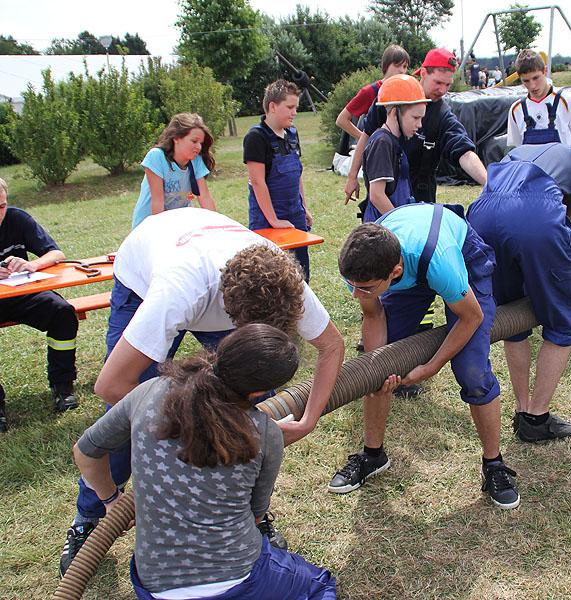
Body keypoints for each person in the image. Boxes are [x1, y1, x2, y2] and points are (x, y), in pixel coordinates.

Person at [60, 207, 345, 575]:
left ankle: (248, 515)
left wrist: (307, 420)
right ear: (233, 319)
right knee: (126, 418)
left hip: (212, 262)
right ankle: (91, 516)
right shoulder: (179, 291)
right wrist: (197, 426)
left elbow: (332, 346)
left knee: (256, 384)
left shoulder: (285, 286)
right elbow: (112, 386)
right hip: (146, 269)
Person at [73, 324, 337, 599]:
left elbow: (85, 452)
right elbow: (256, 515)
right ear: (259, 393)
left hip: (155, 585)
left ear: (221, 351)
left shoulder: (149, 391)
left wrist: (110, 499)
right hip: (239, 579)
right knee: (319, 586)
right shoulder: (265, 432)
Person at [329, 204, 520, 510]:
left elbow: (471, 317)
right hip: (409, 258)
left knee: (472, 371)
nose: (355, 294)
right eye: (352, 285)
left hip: (458, 252)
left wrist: (432, 366)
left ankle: (494, 464)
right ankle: (373, 454)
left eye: (363, 288)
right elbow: (373, 314)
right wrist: (378, 366)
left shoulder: (441, 262)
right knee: (376, 372)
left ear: (395, 272)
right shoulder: (362, 269)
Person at [467, 143, 571, 442]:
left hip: (482, 217)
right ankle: (537, 417)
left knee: (512, 318)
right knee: (563, 321)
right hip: (536, 218)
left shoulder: (520, 152)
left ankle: (521, 409)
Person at [345, 48, 487, 206]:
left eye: (448, 85)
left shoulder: (442, 115)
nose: (443, 90)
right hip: (385, 194)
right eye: (438, 82)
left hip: (421, 196)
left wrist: (488, 184)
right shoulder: (393, 95)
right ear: (423, 73)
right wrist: (352, 176)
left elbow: (464, 152)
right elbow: (366, 136)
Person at [0, 177, 78, 431]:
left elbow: (56, 253)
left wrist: (31, 265)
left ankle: (62, 385)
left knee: (63, 313)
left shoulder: (18, 218)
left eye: (1, 206)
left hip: (21, 292)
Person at [245, 79, 314, 281]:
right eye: (290, 107)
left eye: (296, 108)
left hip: (295, 213)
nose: (294, 113)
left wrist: (304, 207)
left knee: (300, 274)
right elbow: (258, 182)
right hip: (266, 217)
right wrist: (274, 220)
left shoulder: (292, 134)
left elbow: (297, 173)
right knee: (269, 275)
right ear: (272, 107)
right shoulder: (256, 137)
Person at [359, 74, 429, 223]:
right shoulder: (382, 142)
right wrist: (402, 224)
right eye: (415, 118)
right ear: (393, 113)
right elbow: (377, 195)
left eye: (421, 118)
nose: (420, 124)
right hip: (383, 230)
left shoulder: (395, 141)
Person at [131, 113, 217, 229]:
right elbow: (158, 202)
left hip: (178, 224)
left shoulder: (196, 160)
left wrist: (217, 226)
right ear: (176, 138)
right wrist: (161, 233)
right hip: (149, 226)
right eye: (194, 141)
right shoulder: (156, 157)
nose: (199, 147)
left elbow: (204, 197)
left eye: (201, 143)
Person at [506, 49, 571, 153]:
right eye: (526, 81)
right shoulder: (516, 110)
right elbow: (519, 150)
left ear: (545, 71)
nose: (532, 86)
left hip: (564, 167)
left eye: (536, 78)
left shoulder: (568, 101)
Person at [335, 44, 410, 143]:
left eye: (405, 66)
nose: (402, 70)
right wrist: (365, 139)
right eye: (397, 65)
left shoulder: (406, 91)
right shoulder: (370, 91)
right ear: (386, 65)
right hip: (375, 153)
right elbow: (341, 120)